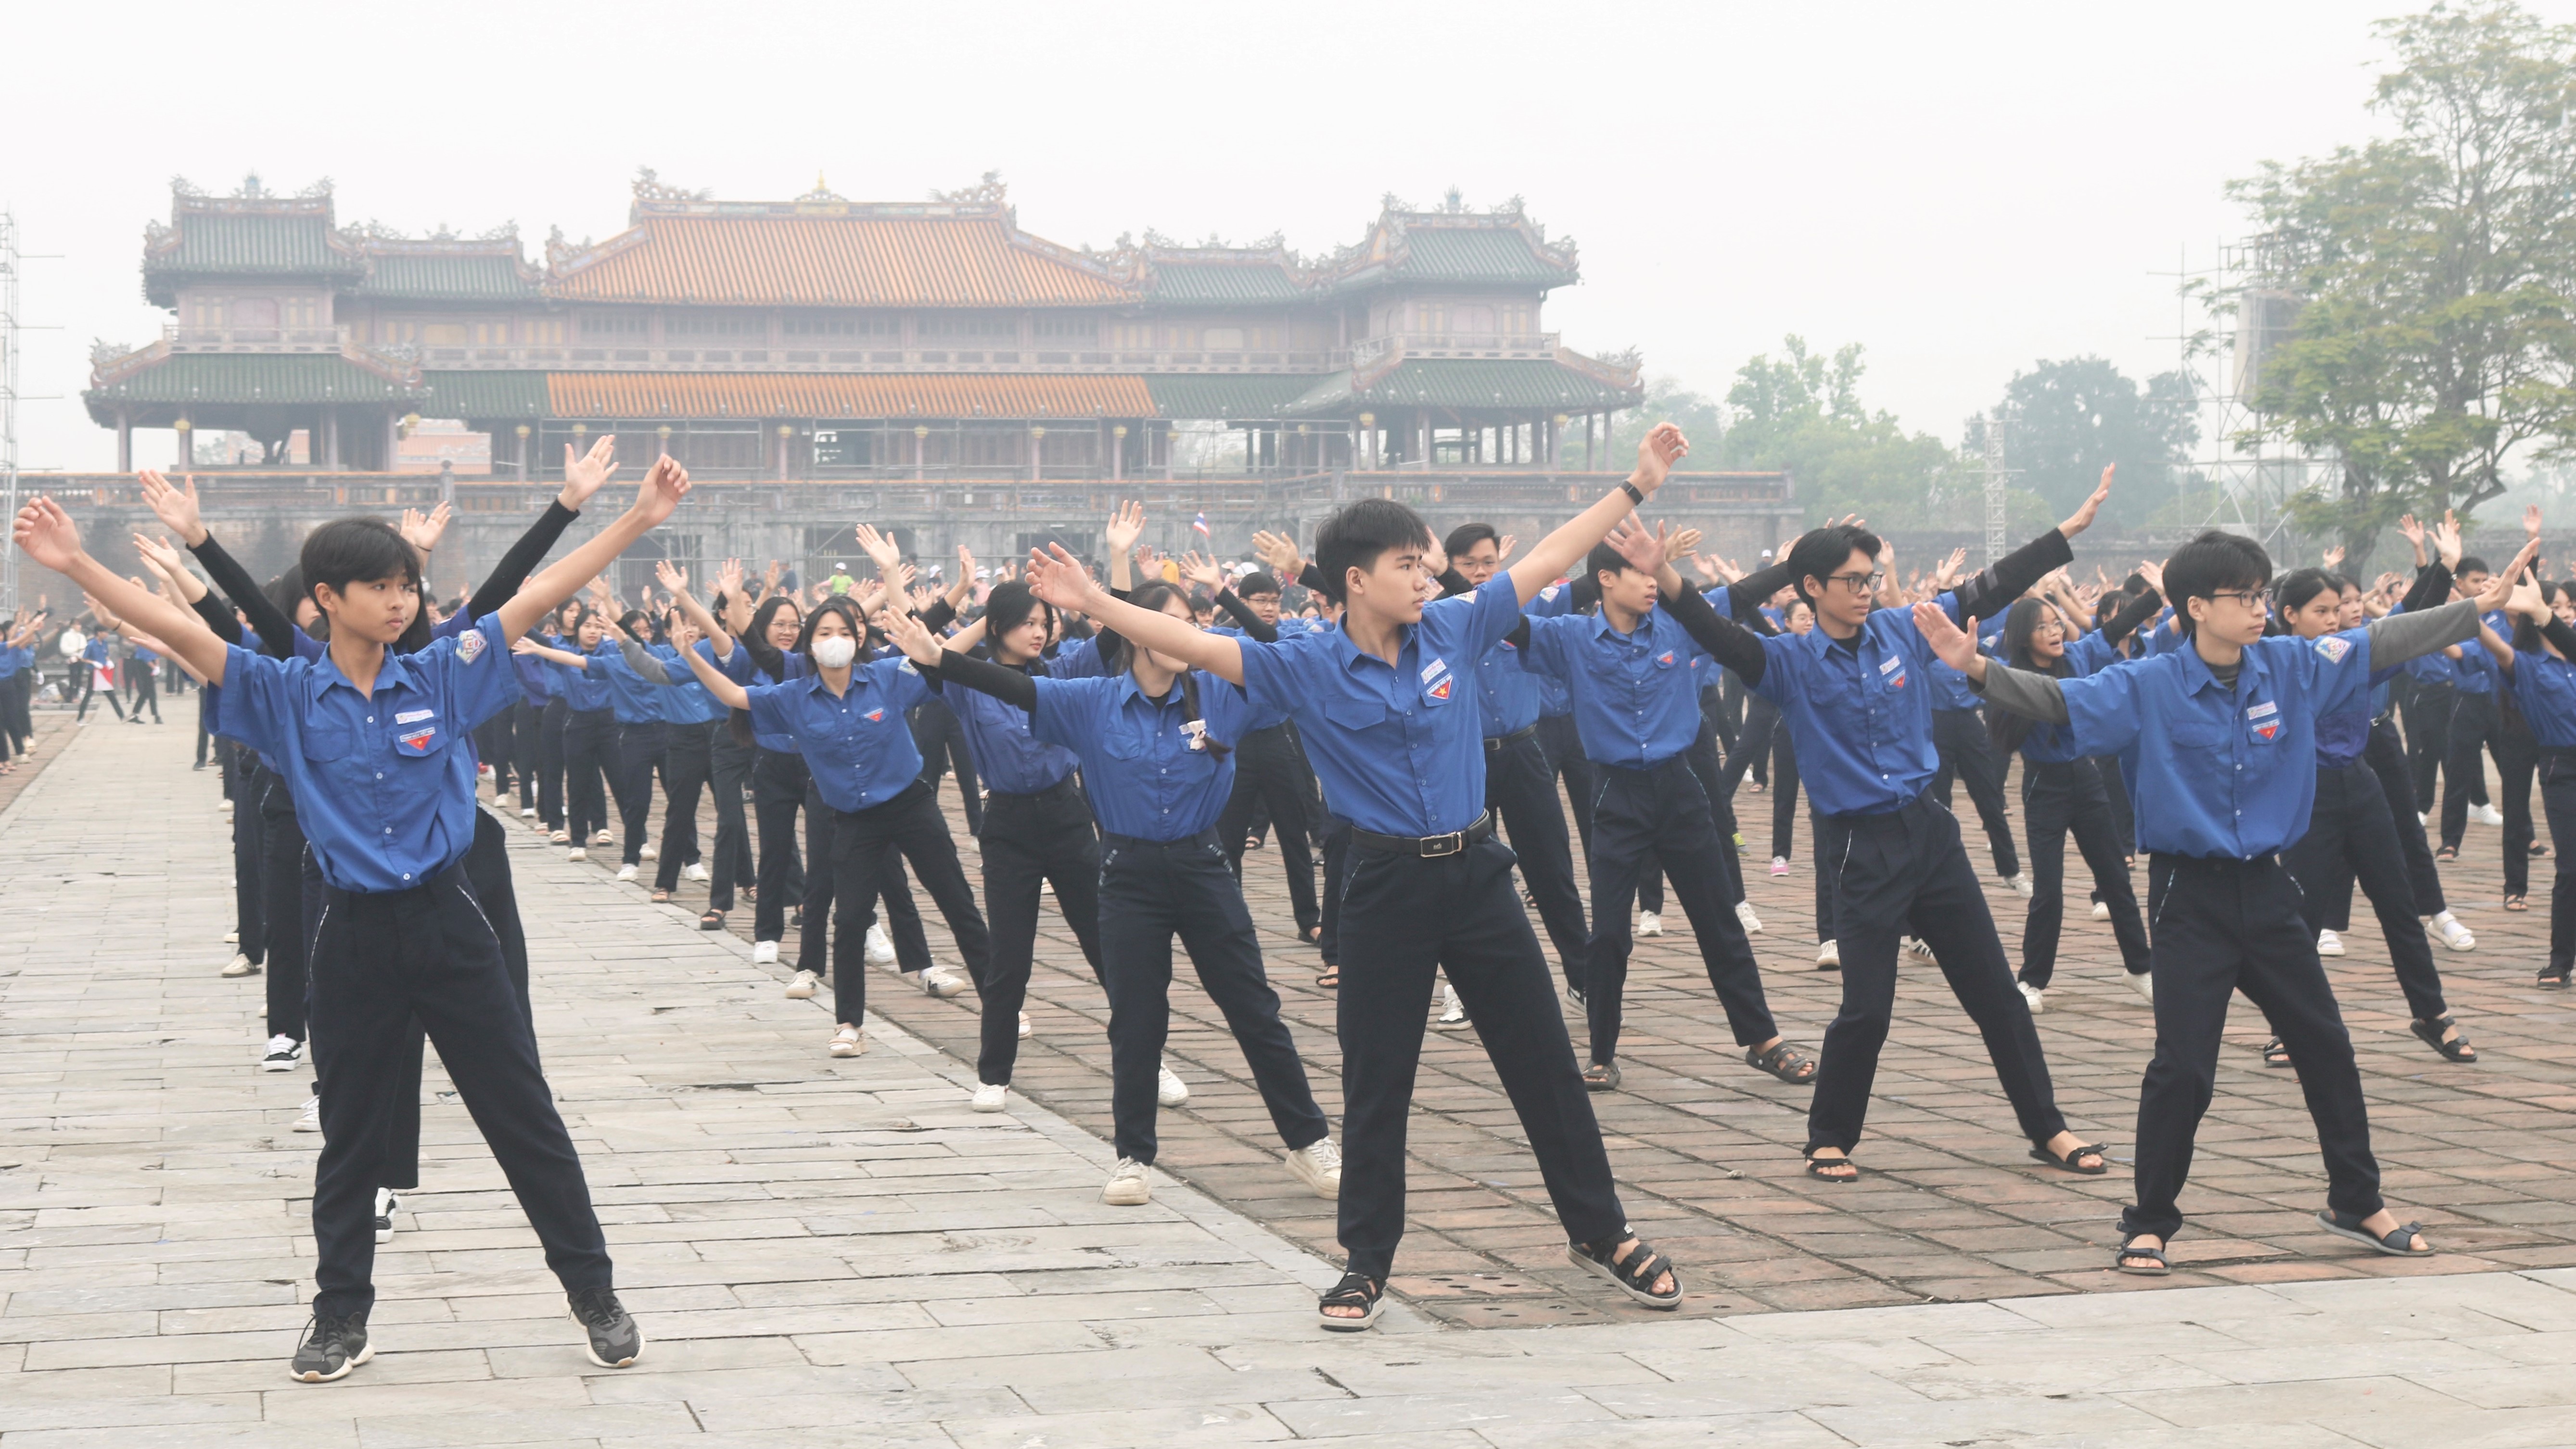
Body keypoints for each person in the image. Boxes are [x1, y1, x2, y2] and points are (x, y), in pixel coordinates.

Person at [19, 452, 687, 1383]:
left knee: (522, 1115)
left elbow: (534, 595)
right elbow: (181, 628)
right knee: (351, 1138)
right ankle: (340, 1318)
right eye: (380, 587)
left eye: (406, 585)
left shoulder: (443, 674)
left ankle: (594, 1293)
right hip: (353, 934)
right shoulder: (284, 693)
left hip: (451, 924)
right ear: (327, 598)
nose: (401, 601)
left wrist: (637, 519)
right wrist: (76, 565)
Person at [1024, 427, 1700, 1333]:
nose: (1426, 579)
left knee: (1542, 1061)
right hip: (1384, 889)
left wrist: (1637, 485)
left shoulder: (1456, 627)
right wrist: (1096, 601)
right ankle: (1366, 1261)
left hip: (1477, 875)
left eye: (1426, 565)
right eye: (1407, 565)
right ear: (1355, 578)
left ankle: (1600, 1230)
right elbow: (1189, 641)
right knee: (1377, 1082)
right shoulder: (1302, 663)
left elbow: (1549, 556)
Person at [1937, 527, 2531, 1274]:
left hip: (2269, 889)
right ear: (2195, 607)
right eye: (2243, 597)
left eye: (2260, 595)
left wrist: (2474, 607)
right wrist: (1978, 669)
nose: (2258, 609)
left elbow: (2381, 641)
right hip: (2188, 896)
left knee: (2325, 1045)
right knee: (2183, 1067)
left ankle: (2356, 1199)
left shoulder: (2290, 666)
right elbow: (2058, 700)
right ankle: (2149, 1221)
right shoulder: (2148, 683)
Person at [1684, 469, 2123, 1185]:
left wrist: (2064, 535)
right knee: (1867, 1010)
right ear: (1811, 588)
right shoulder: (1786, 661)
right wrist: (1665, 581)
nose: (1866, 590)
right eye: (1851, 580)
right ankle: (1828, 1137)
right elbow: (1714, 633)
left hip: (1931, 834)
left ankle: (2048, 1128)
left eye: (1871, 577)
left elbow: (1985, 590)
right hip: (1859, 847)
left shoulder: (1901, 628)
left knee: (1997, 996)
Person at [882, 587, 1341, 1200]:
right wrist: (938, 658)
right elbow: (1015, 688)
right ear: (1135, 632)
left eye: (1191, 625)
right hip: (1128, 874)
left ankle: (1309, 1143)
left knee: (1253, 1008)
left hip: (1203, 867)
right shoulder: (1091, 700)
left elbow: (1290, 666)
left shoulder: (1220, 695)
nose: (1186, 636)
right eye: (1171, 624)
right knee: (1135, 1019)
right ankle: (1133, 1157)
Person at [1518, 520, 1817, 1093]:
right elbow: (1500, 618)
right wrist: (1456, 575)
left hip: (1680, 791)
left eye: (1656, 569)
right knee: (1608, 934)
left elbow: (1739, 596)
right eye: (1639, 571)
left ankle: (1763, 1041)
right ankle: (1601, 1052)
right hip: (1616, 795)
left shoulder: (1680, 626)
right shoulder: (1569, 638)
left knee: (1718, 921)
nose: (1653, 580)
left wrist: (1794, 563)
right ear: (1605, 580)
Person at [679, 589, 992, 1059]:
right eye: (825, 632)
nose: (835, 640)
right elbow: (735, 695)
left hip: (910, 806)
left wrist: (989, 617)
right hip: (853, 819)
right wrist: (688, 655)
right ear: (810, 644)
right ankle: (849, 1025)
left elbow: (940, 656)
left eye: (844, 632)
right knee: (848, 920)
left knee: (956, 901)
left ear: (858, 639)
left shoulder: (886, 676)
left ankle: (1001, 1006)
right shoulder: (793, 697)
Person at [2273, 566, 2474, 1065]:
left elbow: (2409, 627)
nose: (2334, 617)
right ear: (2289, 615)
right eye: (2321, 611)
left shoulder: (2352, 654)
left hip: (2361, 785)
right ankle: (2288, 1026)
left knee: (2398, 904)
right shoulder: (2274, 662)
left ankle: (2431, 1013)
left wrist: (2441, 570)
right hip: (2308, 793)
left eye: (2338, 608)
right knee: (2302, 915)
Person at [1986, 583, 2159, 1009]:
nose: (2054, 632)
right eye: (2042, 627)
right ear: (2023, 637)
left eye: (2056, 624)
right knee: (2049, 891)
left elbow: (2113, 628)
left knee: (2116, 878)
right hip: (2043, 786)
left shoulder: (2077, 657)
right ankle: (2032, 981)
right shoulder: (2013, 677)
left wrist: (2158, 593)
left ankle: (2140, 969)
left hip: (2085, 779)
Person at [2472, 568, 2576, 988]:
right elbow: (2490, 640)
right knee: (2571, 867)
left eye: (2568, 606)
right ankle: (2560, 960)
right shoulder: (2526, 665)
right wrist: (2481, 603)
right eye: (2555, 607)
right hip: (2562, 770)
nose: (2565, 613)